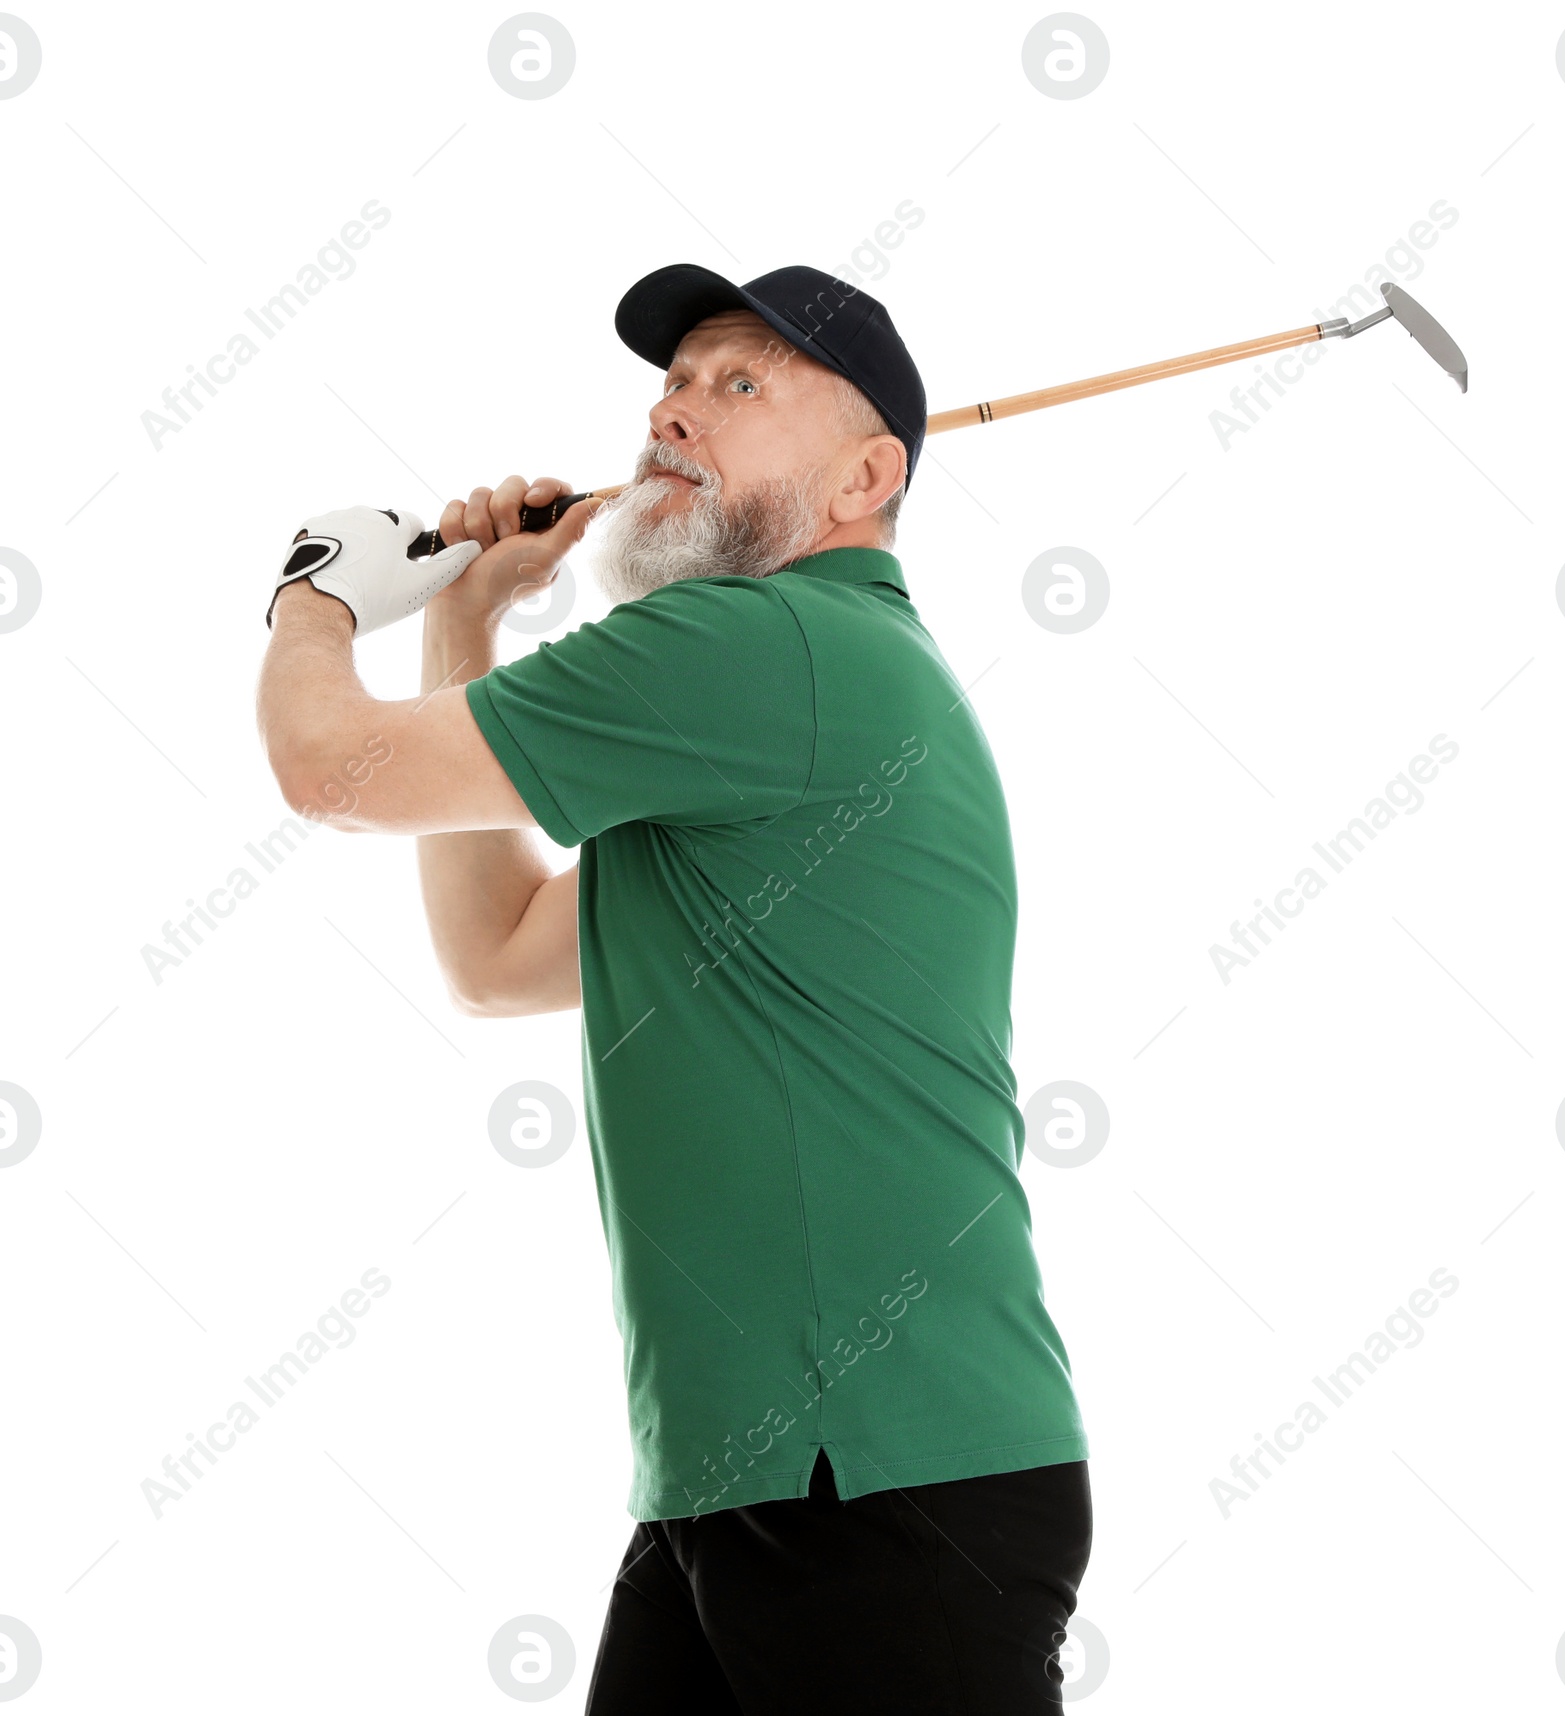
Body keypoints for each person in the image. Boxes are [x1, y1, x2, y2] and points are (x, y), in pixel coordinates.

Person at [258, 264, 1092, 1713]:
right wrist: (464, 620)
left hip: (883, 1484)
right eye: (676, 380)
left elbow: (335, 771)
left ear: (865, 479)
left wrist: (316, 597)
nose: (674, 409)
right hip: (752, 1474)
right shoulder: (762, 714)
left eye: (742, 384)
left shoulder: (771, 645)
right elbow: (500, 952)